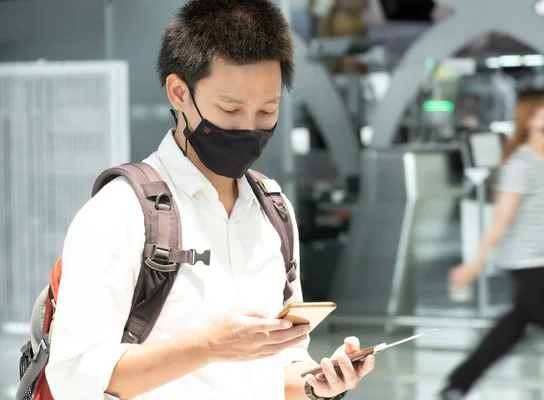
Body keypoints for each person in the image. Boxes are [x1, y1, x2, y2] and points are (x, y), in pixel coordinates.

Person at [45, 1, 375, 399]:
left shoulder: (274, 210)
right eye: (230, 109)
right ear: (179, 92)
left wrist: (314, 384)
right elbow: (73, 378)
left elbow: (278, 368)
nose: (249, 127)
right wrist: (207, 346)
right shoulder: (119, 212)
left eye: (267, 110)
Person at [440, 91, 544, 400]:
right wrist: (473, 266)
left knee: (512, 329)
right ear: (529, 119)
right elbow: (501, 221)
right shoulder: (519, 163)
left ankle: (458, 382)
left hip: (542, 259)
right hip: (525, 262)